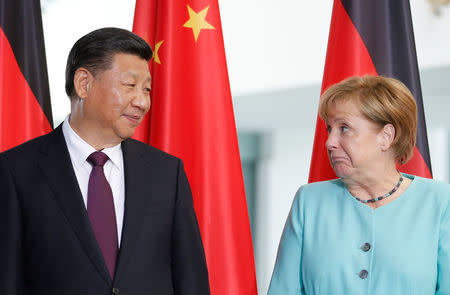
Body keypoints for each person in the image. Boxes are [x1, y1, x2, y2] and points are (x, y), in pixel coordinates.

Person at [0, 27, 210, 295]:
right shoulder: (15, 171)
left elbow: (191, 281)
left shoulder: (167, 173)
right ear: (84, 83)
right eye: (130, 85)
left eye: (147, 89)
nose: (142, 101)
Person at [267, 75, 450, 294]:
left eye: (344, 128)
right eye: (330, 129)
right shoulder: (309, 202)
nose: (330, 142)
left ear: (386, 137)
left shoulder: (440, 202)